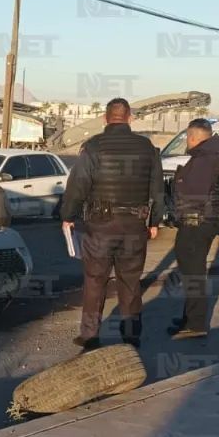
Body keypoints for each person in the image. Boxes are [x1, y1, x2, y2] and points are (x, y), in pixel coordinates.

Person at [60, 97, 164, 350]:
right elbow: (158, 187)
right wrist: (155, 221)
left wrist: (68, 216)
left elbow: (78, 186)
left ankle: (90, 336)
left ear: (106, 119)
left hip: (101, 226)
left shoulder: (94, 146)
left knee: (95, 280)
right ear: (129, 118)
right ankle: (130, 336)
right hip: (135, 224)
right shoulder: (146, 147)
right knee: (130, 280)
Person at [166, 119, 219, 340]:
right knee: (193, 270)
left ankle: (196, 323)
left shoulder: (204, 161)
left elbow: (190, 193)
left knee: (193, 273)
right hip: (210, 220)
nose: (187, 140)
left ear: (194, 137)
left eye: (188, 136)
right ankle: (190, 317)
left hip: (196, 223)